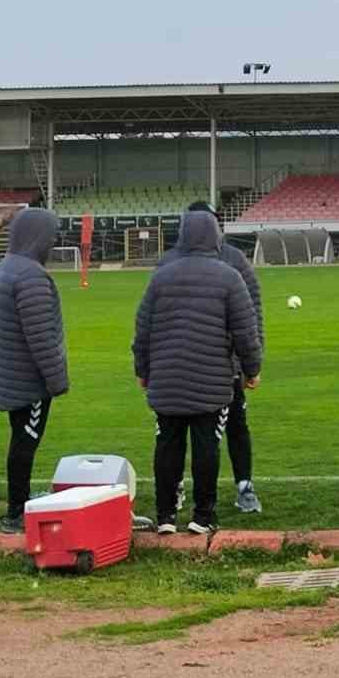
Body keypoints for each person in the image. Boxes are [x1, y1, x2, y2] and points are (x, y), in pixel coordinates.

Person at [133, 208, 262, 535]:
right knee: (207, 445)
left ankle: (165, 516)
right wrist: (252, 369)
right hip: (212, 379)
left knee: (167, 444)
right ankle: (202, 517)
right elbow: (245, 331)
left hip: (166, 378)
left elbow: (143, 328)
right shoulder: (228, 276)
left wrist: (142, 369)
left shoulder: (162, 274)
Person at [0, 207, 69, 534]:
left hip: (10, 373)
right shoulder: (30, 276)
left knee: (21, 438)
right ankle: (16, 511)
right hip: (28, 380)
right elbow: (40, 336)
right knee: (26, 440)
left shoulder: (4, 268)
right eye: (50, 236)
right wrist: (57, 381)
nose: (53, 242)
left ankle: (17, 503)